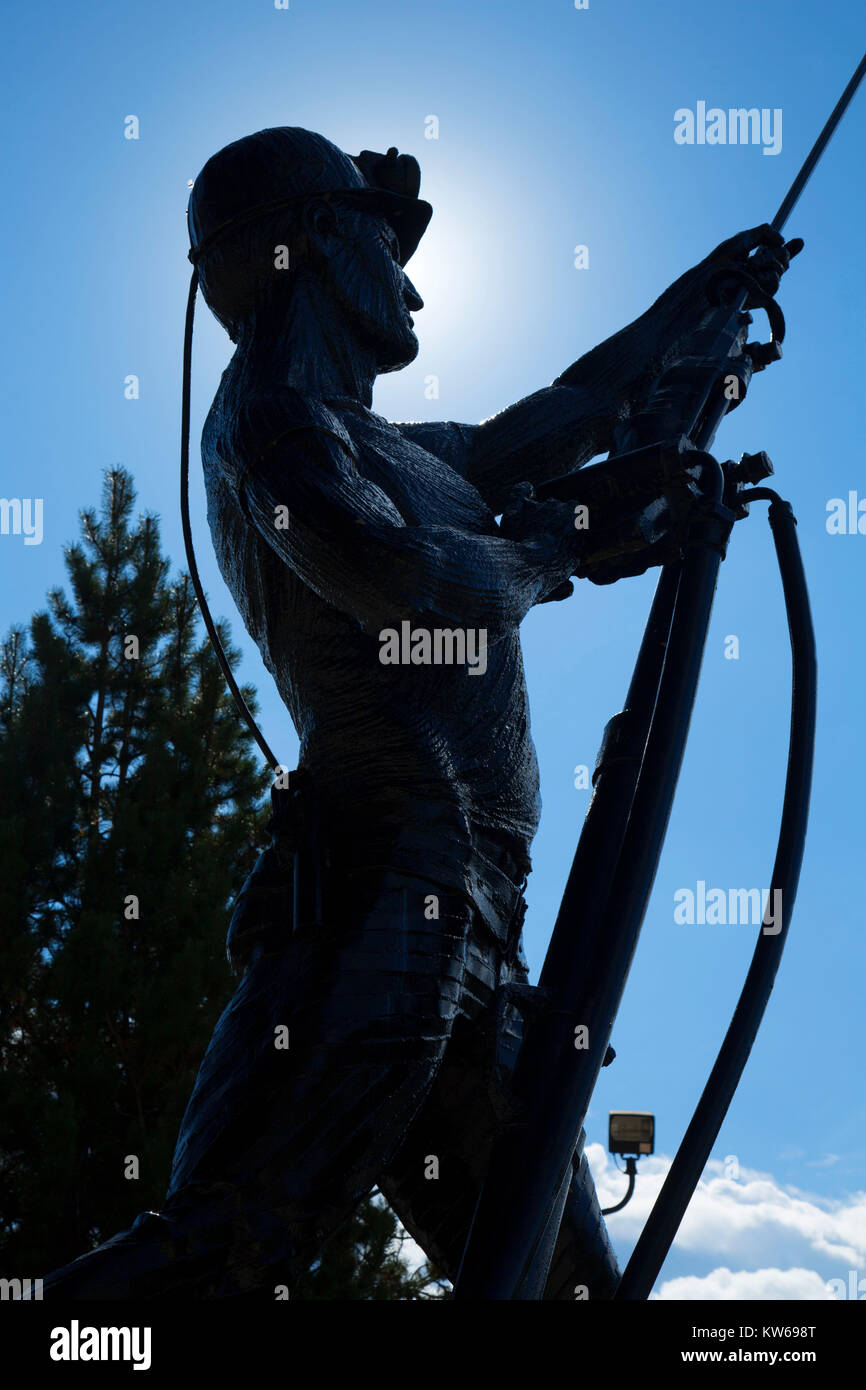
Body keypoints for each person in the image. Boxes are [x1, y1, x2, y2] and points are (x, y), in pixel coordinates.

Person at [42, 127, 794, 1300]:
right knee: (230, 1241)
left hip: (480, 930)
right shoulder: (272, 427)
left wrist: (696, 309)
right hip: (381, 888)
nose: (414, 282)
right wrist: (550, 545)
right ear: (321, 246)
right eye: (388, 247)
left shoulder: (408, 449)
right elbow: (403, 584)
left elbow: (572, 411)